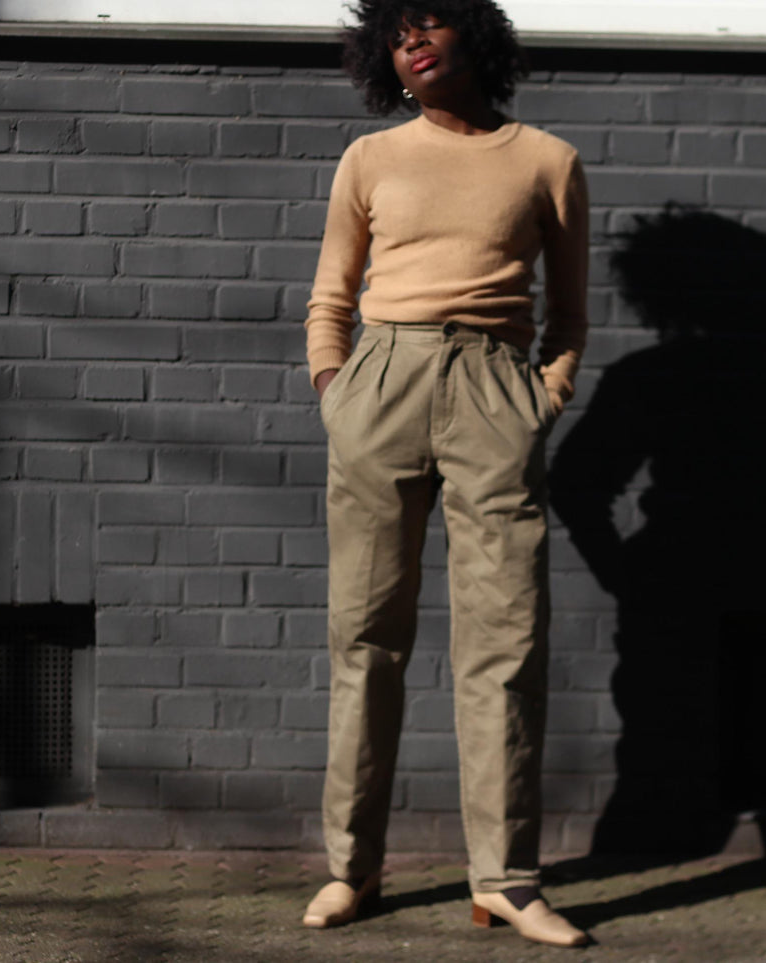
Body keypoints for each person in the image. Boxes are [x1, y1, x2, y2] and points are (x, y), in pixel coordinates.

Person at [298, 0, 590, 949]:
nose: (412, 42)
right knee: (365, 635)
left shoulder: (547, 161)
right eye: (396, 33)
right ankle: (353, 868)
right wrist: (336, 387)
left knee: (504, 643)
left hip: (493, 391)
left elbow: (570, 311)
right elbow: (331, 292)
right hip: (381, 382)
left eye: (430, 23)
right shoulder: (370, 159)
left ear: (478, 37)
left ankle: (504, 879)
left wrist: (542, 394)